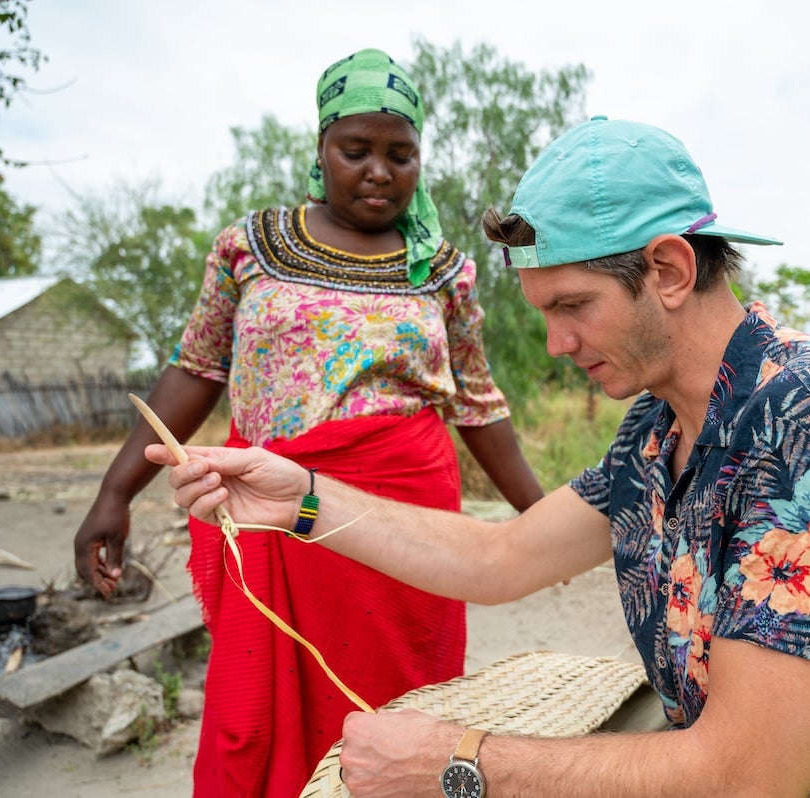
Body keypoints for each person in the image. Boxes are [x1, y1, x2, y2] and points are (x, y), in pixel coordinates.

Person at [149, 116, 810, 797]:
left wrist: (458, 761)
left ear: (670, 269)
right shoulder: (659, 424)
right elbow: (504, 554)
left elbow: (746, 776)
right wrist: (305, 499)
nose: (556, 343)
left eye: (573, 306)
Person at [74, 48, 544, 797]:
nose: (379, 171)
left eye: (401, 154)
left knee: (399, 720)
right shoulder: (250, 245)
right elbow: (196, 370)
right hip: (272, 512)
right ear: (321, 150)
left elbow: (478, 405)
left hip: (405, 526)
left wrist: (547, 525)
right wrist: (113, 493)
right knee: (254, 716)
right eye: (355, 150)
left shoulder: (441, 269)